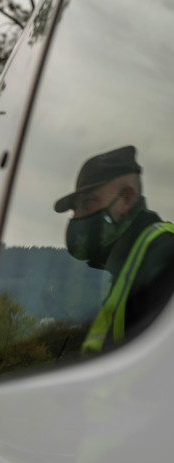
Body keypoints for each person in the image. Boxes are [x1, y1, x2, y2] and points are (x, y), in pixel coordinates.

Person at [54, 145, 174, 354]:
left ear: (126, 198)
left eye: (87, 202)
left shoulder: (162, 256)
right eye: (75, 209)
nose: (77, 217)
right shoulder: (129, 262)